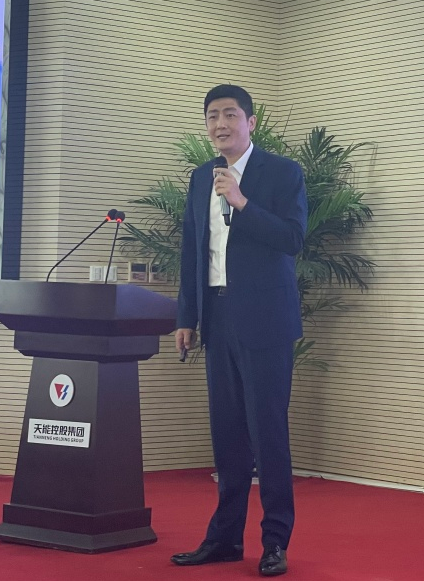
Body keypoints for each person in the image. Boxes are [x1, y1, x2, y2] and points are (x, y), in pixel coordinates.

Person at [171, 84, 307, 577]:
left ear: (250, 123)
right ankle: (225, 539)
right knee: (227, 436)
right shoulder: (200, 177)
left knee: (267, 433)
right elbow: (193, 250)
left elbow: (292, 238)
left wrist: (242, 201)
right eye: (212, 116)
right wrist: (186, 317)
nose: (220, 124)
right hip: (218, 317)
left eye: (230, 114)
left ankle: (275, 542)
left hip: (265, 321)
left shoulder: (283, 172)